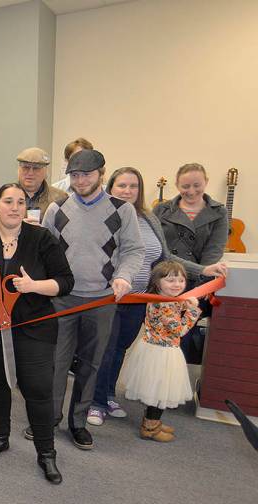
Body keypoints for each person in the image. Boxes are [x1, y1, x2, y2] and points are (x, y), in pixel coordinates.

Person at [88, 167, 228, 426]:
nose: (127, 191)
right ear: (111, 188)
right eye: (121, 185)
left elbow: (166, 257)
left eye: (133, 186)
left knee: (120, 349)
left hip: (140, 299)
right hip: (110, 297)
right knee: (105, 350)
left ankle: (108, 395)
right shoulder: (102, 218)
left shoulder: (149, 218)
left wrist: (203, 270)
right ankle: (94, 403)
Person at [0, 183, 74, 484]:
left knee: (38, 387)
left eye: (20, 202)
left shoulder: (42, 239)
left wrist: (35, 286)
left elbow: (65, 281)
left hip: (33, 325)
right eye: (8, 201)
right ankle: (0, 437)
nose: (15, 207)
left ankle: (46, 452)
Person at [40, 149, 144, 450]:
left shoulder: (121, 210)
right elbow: (43, 252)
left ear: (101, 174)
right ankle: (49, 419)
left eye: (86, 174)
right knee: (56, 364)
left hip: (101, 301)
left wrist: (124, 277)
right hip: (62, 299)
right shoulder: (56, 209)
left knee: (90, 365)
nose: (80, 180)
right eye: (75, 175)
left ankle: (78, 423)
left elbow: (133, 250)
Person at [0, 147, 69, 395]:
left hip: (42, 276)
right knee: (0, 337)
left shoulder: (60, 198)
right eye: (25, 167)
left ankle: (34, 380)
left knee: (38, 349)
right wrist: (12, 226)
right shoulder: (2, 195)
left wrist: (36, 233)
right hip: (8, 275)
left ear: (45, 170)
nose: (30, 172)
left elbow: (65, 235)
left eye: (36, 168)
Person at [119, 261, 202, 442]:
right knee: (160, 391)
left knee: (159, 389)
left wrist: (185, 304)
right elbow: (179, 330)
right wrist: (193, 311)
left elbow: (176, 308)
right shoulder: (163, 305)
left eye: (181, 280)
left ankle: (152, 421)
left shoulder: (164, 299)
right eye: (171, 280)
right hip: (162, 353)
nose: (177, 285)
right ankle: (150, 428)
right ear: (157, 282)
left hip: (156, 350)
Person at [154, 163, 229, 363]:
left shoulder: (219, 212)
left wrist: (201, 283)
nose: (191, 191)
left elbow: (214, 250)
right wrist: (199, 270)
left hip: (197, 284)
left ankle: (178, 377)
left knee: (183, 335)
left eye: (197, 185)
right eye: (185, 186)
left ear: (206, 182)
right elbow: (160, 249)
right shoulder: (161, 210)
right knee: (159, 334)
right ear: (177, 185)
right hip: (164, 282)